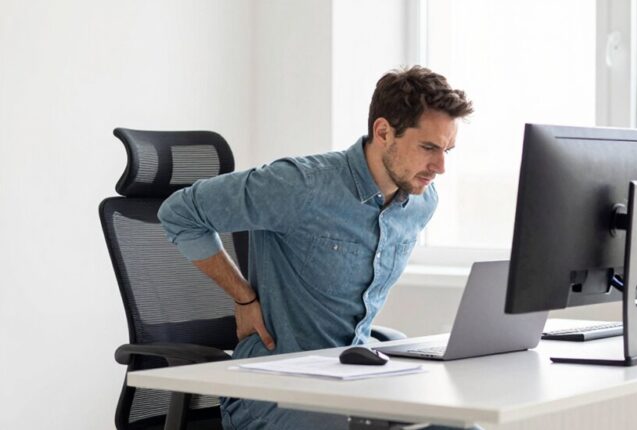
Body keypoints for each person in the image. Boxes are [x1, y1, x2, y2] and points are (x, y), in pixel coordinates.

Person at [158, 66, 474, 429]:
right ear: (384, 131)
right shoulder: (299, 185)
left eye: (448, 149)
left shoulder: (421, 201)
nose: (441, 167)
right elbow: (179, 213)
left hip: (350, 374)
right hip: (272, 384)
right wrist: (243, 297)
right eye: (429, 148)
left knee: (460, 424)